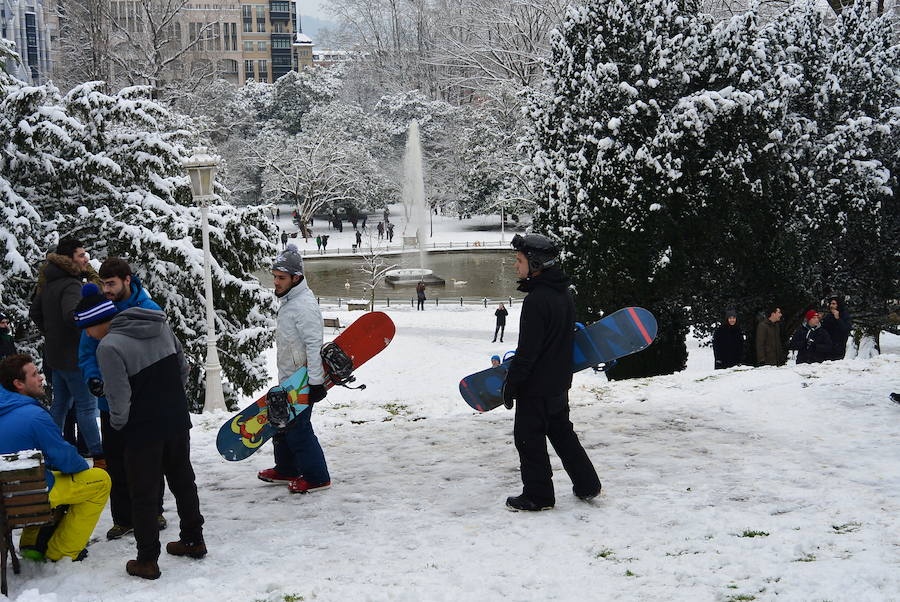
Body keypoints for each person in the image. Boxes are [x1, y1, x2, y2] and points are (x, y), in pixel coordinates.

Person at [76, 287, 205, 579]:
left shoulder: (109, 346)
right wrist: (169, 399)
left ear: (98, 322)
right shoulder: (159, 325)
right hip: (175, 418)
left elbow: (118, 399)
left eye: (87, 329)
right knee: (183, 481)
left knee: (143, 494)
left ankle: (147, 560)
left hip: (142, 428)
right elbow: (182, 368)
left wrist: (120, 426)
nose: (88, 335)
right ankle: (194, 540)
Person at [501, 234, 601, 512]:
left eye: (519, 261)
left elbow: (528, 351)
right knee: (562, 433)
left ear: (535, 264)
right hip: (558, 383)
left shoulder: (536, 301)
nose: (515, 266)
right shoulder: (563, 294)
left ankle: (538, 495)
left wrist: (512, 385)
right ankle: (587, 484)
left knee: (528, 439)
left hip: (536, 387)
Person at [78, 259, 168, 540]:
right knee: (116, 460)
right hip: (110, 402)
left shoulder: (148, 310)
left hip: (143, 401)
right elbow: (87, 352)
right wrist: (94, 378)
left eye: (111, 283)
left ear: (127, 280)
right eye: (103, 283)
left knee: (148, 459)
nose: (106, 289)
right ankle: (123, 517)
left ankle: (154, 511)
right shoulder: (98, 310)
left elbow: (162, 350)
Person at [0, 353, 111, 562]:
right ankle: (62, 551)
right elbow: (66, 459)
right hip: (21, 497)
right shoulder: (34, 417)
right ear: (18, 384)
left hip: (6, 495)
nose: (41, 377)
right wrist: (82, 470)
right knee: (99, 481)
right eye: (34, 375)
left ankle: (32, 543)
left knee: (40, 477)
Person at [257, 244, 331, 494]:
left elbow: (314, 345)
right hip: (289, 378)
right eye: (275, 277)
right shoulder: (291, 301)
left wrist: (316, 383)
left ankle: (317, 477)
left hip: (302, 381)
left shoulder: (304, 306)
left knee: (299, 430)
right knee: (284, 426)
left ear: (296, 278)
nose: (275, 282)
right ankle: (287, 468)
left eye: (281, 278)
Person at [29, 238, 104, 461]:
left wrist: (51, 333)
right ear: (69, 259)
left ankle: (49, 449)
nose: (86, 259)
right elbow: (71, 316)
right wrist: (90, 330)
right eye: (81, 255)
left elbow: (35, 312)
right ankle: (100, 455)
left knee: (60, 406)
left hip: (55, 357)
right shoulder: (71, 284)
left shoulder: (50, 281)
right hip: (74, 358)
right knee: (87, 408)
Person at [821, 296, 852, 360]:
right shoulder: (828, 316)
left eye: (834, 304)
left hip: (839, 347)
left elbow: (846, 329)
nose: (831, 306)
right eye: (831, 304)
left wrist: (838, 319)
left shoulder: (844, 315)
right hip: (827, 348)